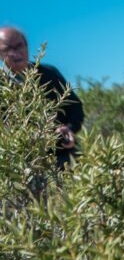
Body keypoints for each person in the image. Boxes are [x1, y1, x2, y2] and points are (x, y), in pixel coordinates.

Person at [0, 26, 84, 169]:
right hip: (25, 164)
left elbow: (75, 107)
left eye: (19, 46)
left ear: (26, 46)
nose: (15, 53)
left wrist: (69, 128)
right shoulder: (2, 85)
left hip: (64, 155)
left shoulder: (49, 73)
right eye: (7, 49)